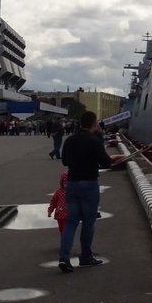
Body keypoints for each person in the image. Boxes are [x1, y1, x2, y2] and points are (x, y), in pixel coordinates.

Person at [57, 111, 112, 272]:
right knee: (88, 222)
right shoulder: (94, 141)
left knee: (71, 222)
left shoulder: (70, 140)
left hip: (72, 184)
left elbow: (65, 161)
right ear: (94, 123)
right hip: (89, 184)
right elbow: (106, 163)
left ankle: (64, 257)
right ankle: (85, 257)